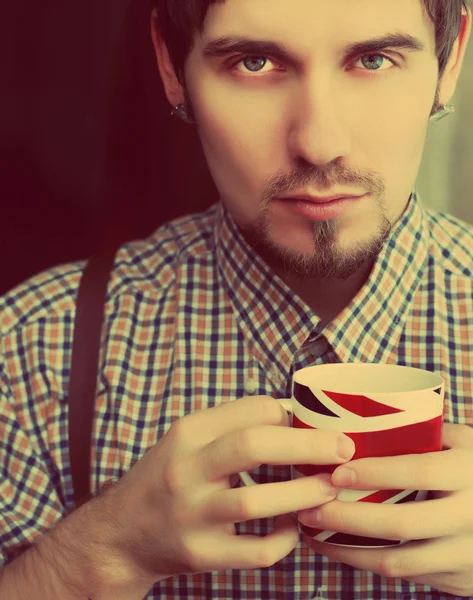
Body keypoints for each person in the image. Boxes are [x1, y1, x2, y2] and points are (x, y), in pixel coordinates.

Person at [1, 0, 473, 598]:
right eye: (255, 62)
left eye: (374, 59)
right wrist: (98, 556)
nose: (320, 143)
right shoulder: (31, 351)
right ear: (172, 66)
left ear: (450, 56)